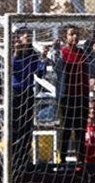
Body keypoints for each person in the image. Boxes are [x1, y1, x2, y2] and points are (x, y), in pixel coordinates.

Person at [49, 25, 90, 162]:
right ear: (65, 37)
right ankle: (61, 159)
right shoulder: (62, 53)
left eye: (76, 34)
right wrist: (54, 50)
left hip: (81, 95)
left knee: (80, 129)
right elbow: (56, 66)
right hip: (66, 96)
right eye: (71, 34)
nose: (75, 37)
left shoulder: (82, 53)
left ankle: (81, 159)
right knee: (66, 128)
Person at [10, 27, 46, 168]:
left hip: (28, 92)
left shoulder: (32, 54)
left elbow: (40, 73)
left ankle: (24, 156)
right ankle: (13, 157)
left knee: (26, 127)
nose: (28, 38)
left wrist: (43, 58)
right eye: (26, 36)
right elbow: (13, 69)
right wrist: (16, 53)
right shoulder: (12, 53)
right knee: (15, 126)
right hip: (15, 92)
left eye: (30, 36)